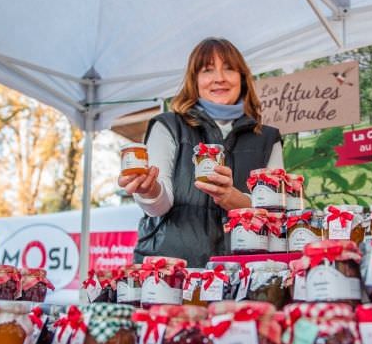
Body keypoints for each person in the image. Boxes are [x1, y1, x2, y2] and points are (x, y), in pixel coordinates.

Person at [119, 37, 284, 268]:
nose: (219, 78)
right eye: (207, 70)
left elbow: (276, 216)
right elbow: (159, 206)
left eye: (229, 68)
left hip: (242, 274)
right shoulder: (168, 126)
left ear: (242, 78)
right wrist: (150, 191)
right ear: (194, 80)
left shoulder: (268, 138)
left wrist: (236, 201)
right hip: (171, 272)